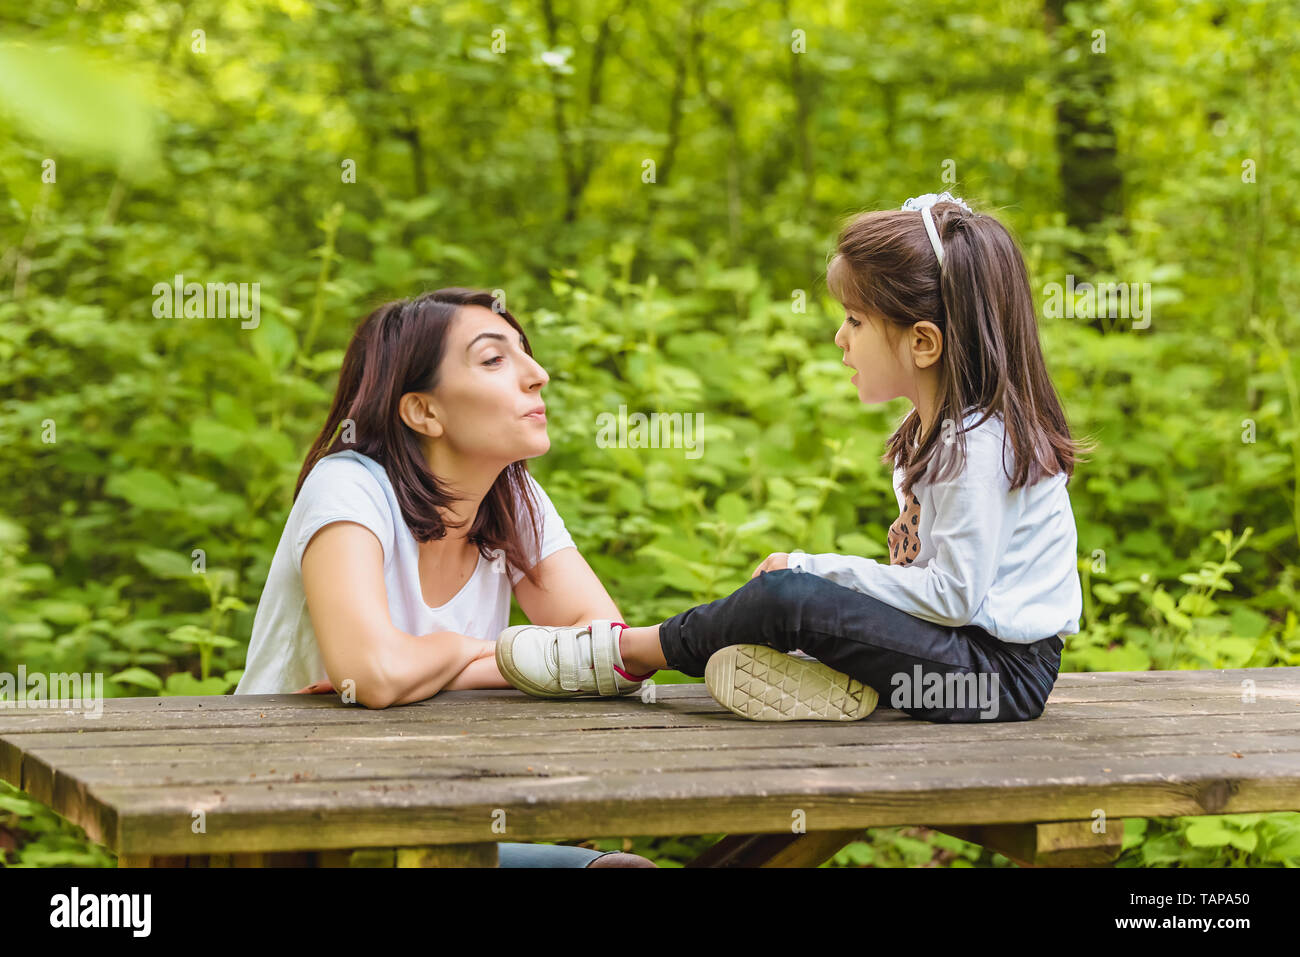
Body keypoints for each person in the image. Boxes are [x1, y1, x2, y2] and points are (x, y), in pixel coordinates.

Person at [498, 192, 1090, 724]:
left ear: (923, 341)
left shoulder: (978, 446)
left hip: (997, 682)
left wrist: (814, 569)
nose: (841, 337)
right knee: (801, 600)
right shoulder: (941, 431)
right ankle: (827, 677)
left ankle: (628, 654)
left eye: (856, 320)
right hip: (961, 661)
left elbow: (953, 598)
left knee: (790, 597)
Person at [233, 288, 654, 867]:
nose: (538, 375)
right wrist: (490, 654)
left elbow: (606, 647)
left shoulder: (514, 498)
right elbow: (374, 674)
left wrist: (432, 660)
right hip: (289, 825)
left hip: (432, 818)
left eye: (525, 354)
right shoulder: (348, 487)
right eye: (493, 360)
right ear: (423, 411)